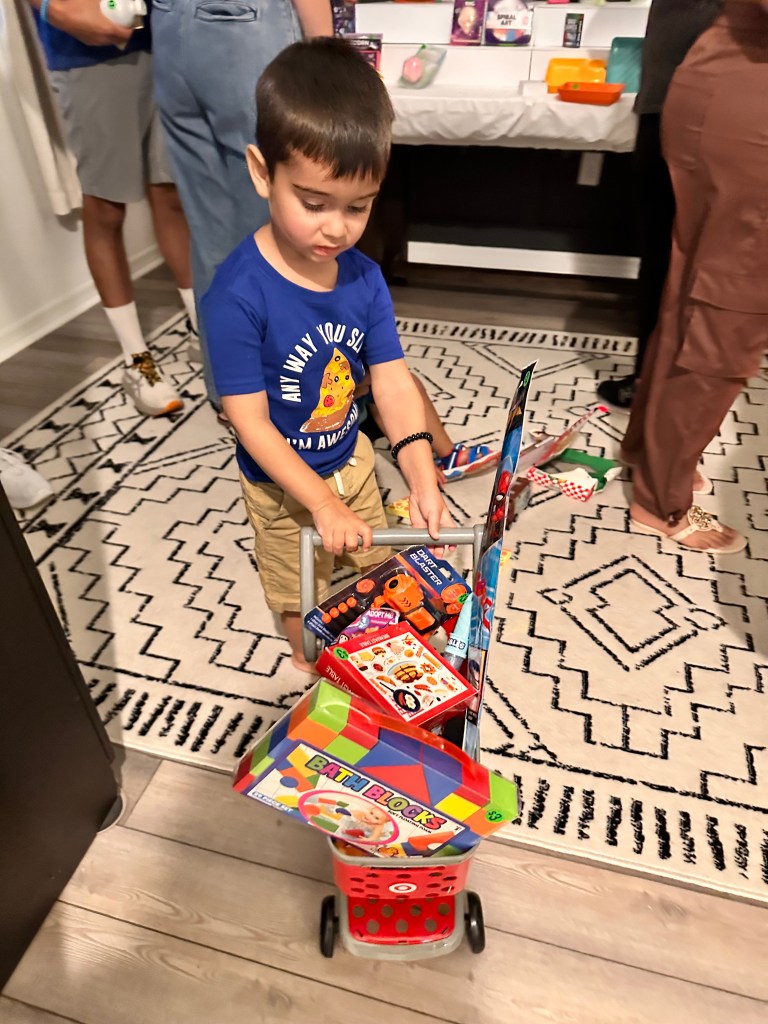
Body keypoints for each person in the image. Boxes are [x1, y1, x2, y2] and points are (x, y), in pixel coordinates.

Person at [201, 38, 452, 671]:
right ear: (263, 173)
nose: (336, 228)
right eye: (313, 203)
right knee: (299, 597)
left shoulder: (363, 277)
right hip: (284, 491)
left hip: (354, 462)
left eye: (358, 207)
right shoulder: (235, 295)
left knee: (379, 571)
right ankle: (314, 673)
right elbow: (249, 422)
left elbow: (392, 380)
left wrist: (419, 466)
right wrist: (319, 502)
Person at [621, 0, 768, 553]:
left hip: (727, 72)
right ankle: (663, 500)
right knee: (732, 306)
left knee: (695, 291)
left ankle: (651, 458)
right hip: (751, 86)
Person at [151, 0, 333, 414]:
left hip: (169, 24)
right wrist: (327, 61)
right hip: (242, 23)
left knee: (211, 234)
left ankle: (229, 395)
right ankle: (293, 395)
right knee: (284, 228)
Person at [30, 0, 197, 417]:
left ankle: (206, 332)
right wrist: (54, 9)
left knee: (172, 194)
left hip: (167, 38)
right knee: (105, 207)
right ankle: (138, 363)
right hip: (87, 48)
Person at [597, 0, 722, 410]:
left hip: (689, 105)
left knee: (670, 255)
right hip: (679, 103)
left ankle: (661, 382)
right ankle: (662, 380)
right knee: (674, 256)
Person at [356, 373, 500, 484]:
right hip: (341, 427)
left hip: (360, 412)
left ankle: (450, 455)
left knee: (401, 381)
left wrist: (417, 457)